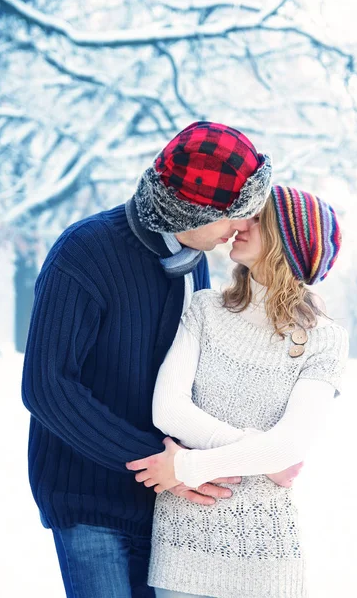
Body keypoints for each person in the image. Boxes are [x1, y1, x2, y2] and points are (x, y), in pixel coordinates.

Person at [21, 121, 287, 598]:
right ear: (190, 212)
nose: (244, 226)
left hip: (163, 500)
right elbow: (47, 386)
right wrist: (151, 458)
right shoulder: (84, 253)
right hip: (90, 498)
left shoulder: (194, 257)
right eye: (236, 214)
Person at [127, 185, 349, 598]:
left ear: (288, 242)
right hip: (183, 543)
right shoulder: (204, 309)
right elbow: (168, 409)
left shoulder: (324, 340)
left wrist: (187, 468)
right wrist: (260, 453)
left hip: (265, 556)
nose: (240, 223)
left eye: (258, 218)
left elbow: (291, 445)